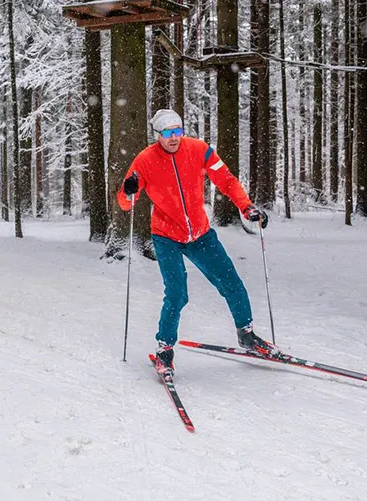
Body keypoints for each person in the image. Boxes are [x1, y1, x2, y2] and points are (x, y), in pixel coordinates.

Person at [117, 109, 273, 380]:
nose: (174, 138)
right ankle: (165, 351)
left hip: (200, 234)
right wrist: (127, 189)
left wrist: (246, 208)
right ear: (158, 136)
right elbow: (125, 202)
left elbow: (226, 180)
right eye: (167, 133)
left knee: (231, 282)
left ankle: (247, 336)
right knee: (177, 294)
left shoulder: (199, 150)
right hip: (166, 237)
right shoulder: (144, 160)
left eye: (178, 131)